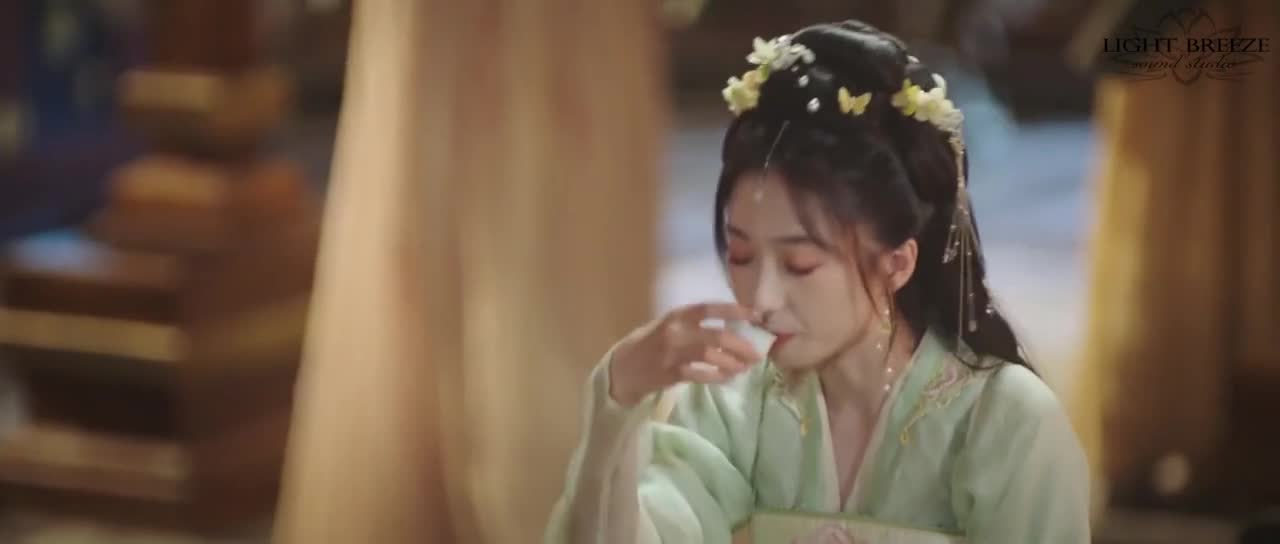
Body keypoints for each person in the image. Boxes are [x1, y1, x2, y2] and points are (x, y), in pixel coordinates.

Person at [545, 20, 1089, 544]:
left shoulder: (1003, 422)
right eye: (741, 255)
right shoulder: (733, 405)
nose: (761, 300)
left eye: (800, 264)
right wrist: (619, 396)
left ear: (897, 263)